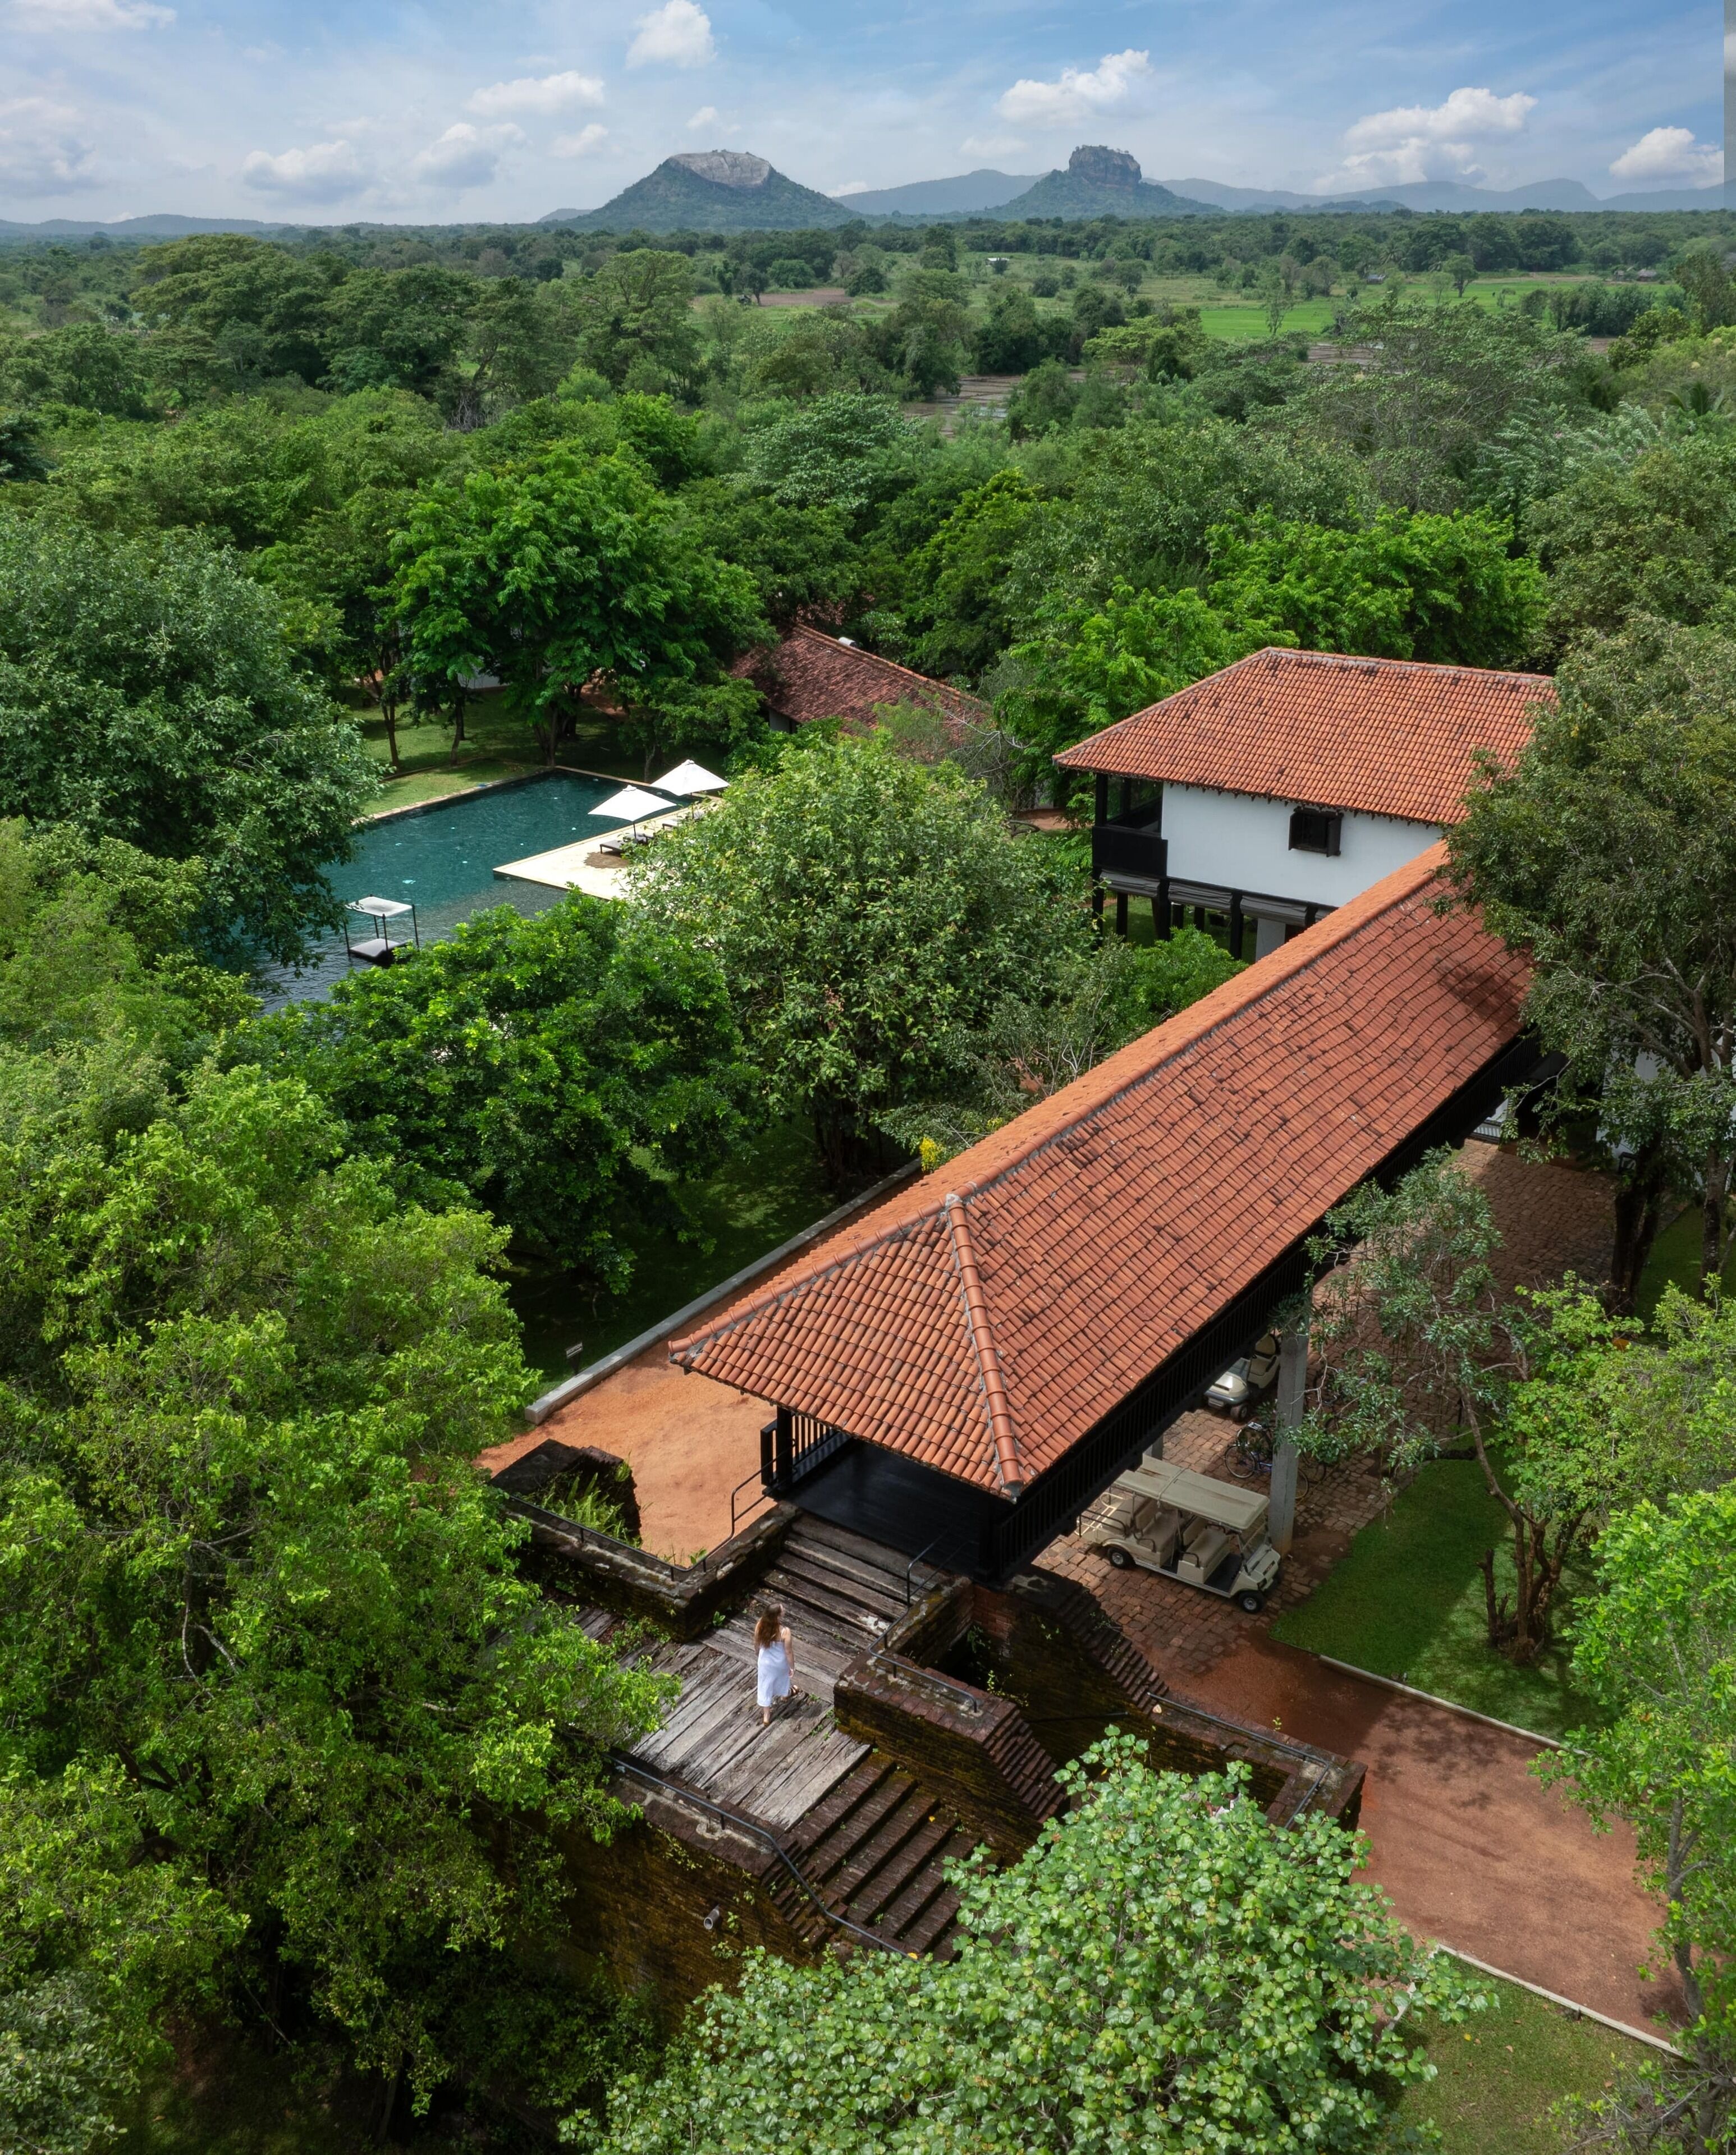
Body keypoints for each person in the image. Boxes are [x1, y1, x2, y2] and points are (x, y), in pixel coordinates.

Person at [753, 1604, 797, 1726]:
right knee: (782, 1679)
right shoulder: (785, 1632)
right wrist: (792, 1667)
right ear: (778, 1616)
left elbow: (757, 1643)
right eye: (782, 1609)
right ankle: (785, 1694)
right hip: (779, 1663)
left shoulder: (760, 1625)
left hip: (765, 1663)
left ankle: (766, 1716)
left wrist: (758, 1653)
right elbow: (788, 1652)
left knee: (765, 1685)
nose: (784, 1609)